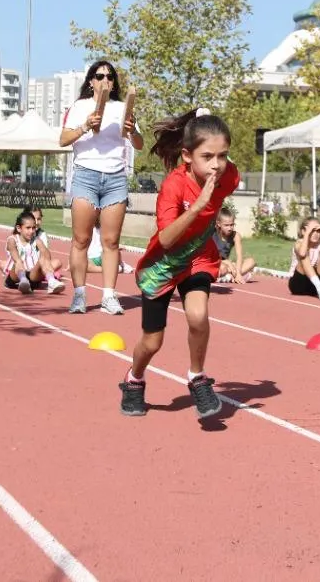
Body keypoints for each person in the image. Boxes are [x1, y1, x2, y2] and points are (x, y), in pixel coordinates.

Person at [120, 109, 239, 419]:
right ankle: (134, 379)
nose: (216, 164)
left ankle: (197, 377)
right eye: (208, 155)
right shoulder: (173, 186)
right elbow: (168, 238)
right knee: (152, 341)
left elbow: (226, 172)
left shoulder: (228, 176)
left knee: (198, 316)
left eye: (223, 155)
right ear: (187, 155)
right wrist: (198, 206)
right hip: (164, 263)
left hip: (199, 256)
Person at [60, 61, 144, 316]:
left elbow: (139, 143)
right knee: (82, 239)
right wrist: (85, 125)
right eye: (100, 76)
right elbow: (63, 139)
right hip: (86, 175)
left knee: (111, 241)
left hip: (115, 177)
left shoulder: (122, 108)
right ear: (91, 81)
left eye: (110, 76)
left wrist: (130, 131)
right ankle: (79, 294)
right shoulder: (79, 107)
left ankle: (109, 296)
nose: (106, 80)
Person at [4, 209, 65, 294]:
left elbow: (47, 256)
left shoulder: (36, 240)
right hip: (15, 275)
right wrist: (18, 261)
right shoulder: (12, 239)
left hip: (32, 275)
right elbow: (13, 252)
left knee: (44, 257)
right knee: (18, 260)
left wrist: (41, 246)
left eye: (33, 228)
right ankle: (23, 281)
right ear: (19, 228)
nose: (31, 231)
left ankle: (51, 282)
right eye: (28, 228)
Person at [213, 206, 255, 284]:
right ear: (218, 224)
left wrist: (238, 273)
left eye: (232, 225)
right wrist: (227, 262)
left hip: (228, 265)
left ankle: (232, 276)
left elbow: (239, 257)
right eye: (226, 225)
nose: (229, 228)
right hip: (214, 262)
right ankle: (234, 275)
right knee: (223, 268)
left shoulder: (236, 236)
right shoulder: (212, 233)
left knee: (251, 261)